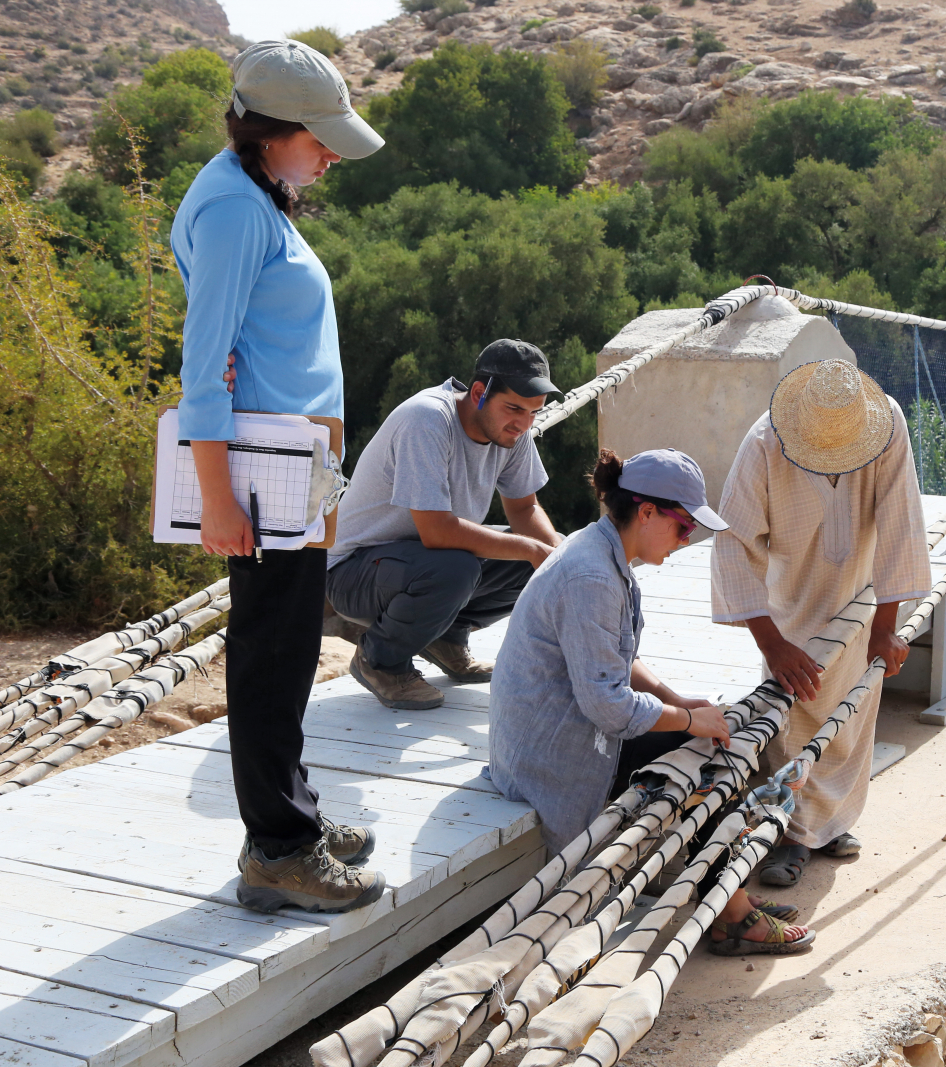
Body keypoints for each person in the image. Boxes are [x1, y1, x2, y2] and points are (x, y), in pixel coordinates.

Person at [173, 40, 387, 913]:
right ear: (268, 131)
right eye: (320, 136)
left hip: (293, 462)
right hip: (260, 474)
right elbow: (202, 364)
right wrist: (218, 496)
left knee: (293, 646)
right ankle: (278, 847)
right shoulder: (233, 208)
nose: (332, 152)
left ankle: (290, 813)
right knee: (270, 653)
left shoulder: (257, 193)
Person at [490, 449, 814, 955]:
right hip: (555, 752)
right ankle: (732, 916)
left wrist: (671, 698)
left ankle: (729, 900)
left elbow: (614, 661)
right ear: (645, 512)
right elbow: (609, 707)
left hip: (566, 726)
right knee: (711, 757)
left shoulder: (598, 549)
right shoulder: (592, 576)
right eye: (683, 527)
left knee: (708, 744)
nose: (686, 540)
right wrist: (688, 720)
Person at [711, 359, 932, 890]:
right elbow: (733, 545)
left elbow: (901, 521)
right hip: (787, 596)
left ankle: (830, 824)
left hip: (860, 585)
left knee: (851, 711)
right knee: (795, 709)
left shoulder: (886, 425)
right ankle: (790, 830)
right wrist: (773, 641)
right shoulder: (764, 443)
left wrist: (885, 625)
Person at [327, 340, 565, 710]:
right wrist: (535, 551)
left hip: (421, 563)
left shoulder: (511, 431)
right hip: (352, 571)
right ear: (479, 393)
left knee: (547, 557)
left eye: (534, 412)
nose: (523, 423)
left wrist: (557, 558)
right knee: (459, 567)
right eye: (514, 408)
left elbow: (524, 508)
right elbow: (437, 532)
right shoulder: (427, 419)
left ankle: (446, 639)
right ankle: (380, 661)